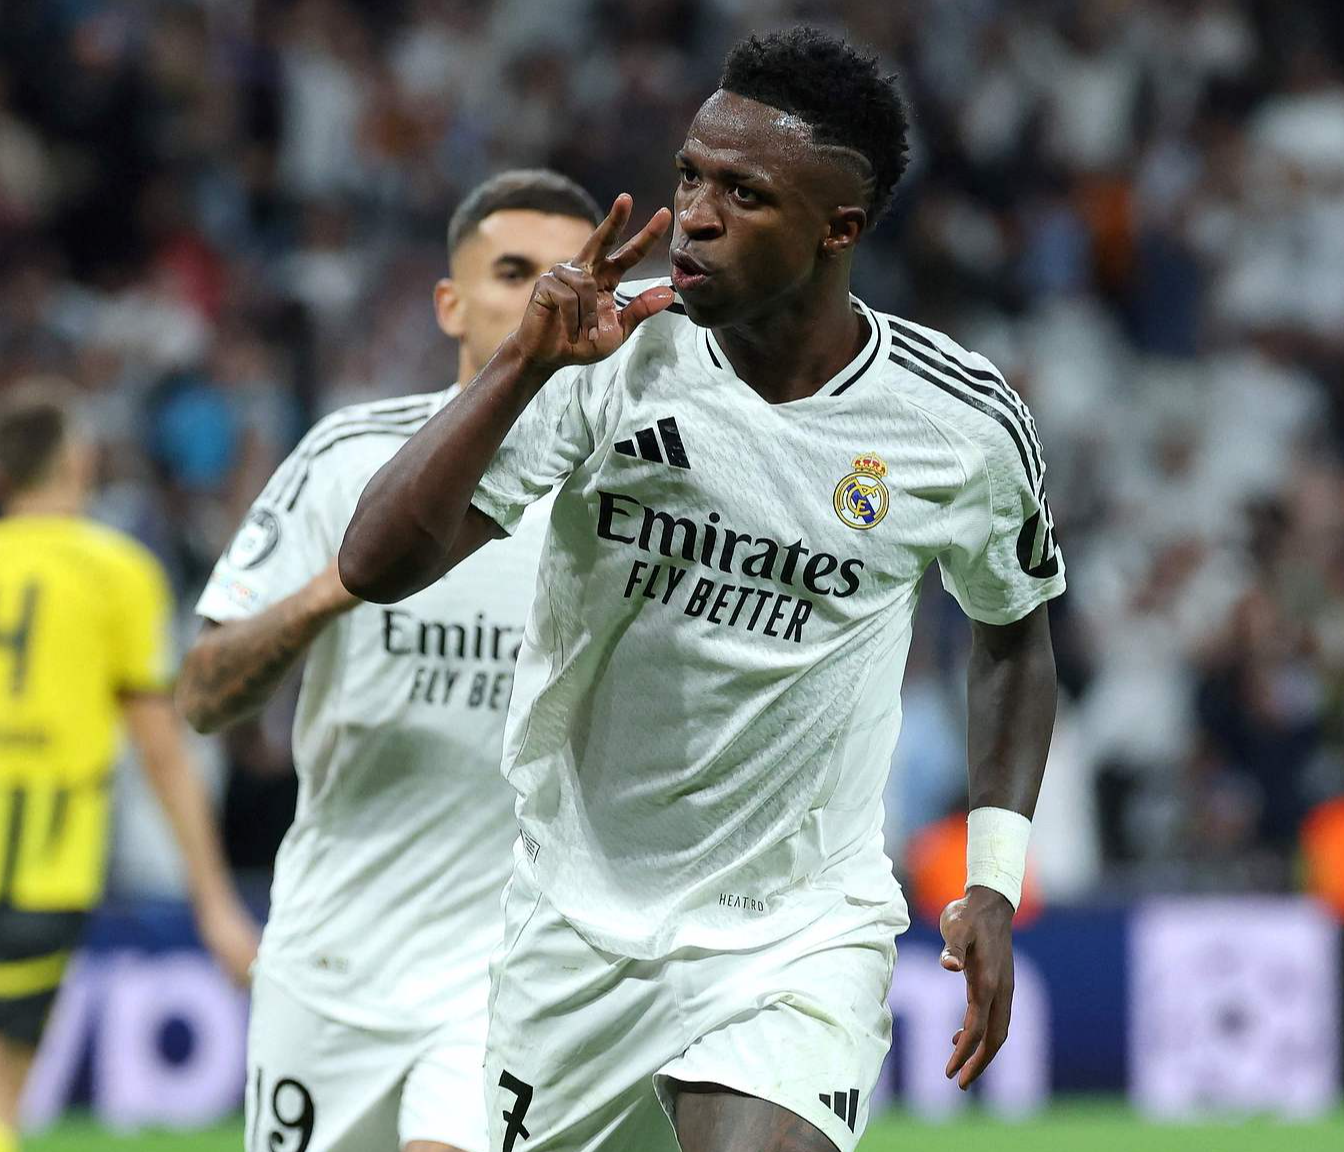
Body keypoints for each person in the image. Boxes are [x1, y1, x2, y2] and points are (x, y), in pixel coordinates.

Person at [339, 28, 1063, 1152]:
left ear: (840, 228)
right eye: (688, 176)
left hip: (793, 928)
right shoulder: (606, 355)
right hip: (574, 924)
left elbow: (1014, 638)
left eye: (744, 193)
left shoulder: (955, 426)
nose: (694, 215)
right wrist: (521, 365)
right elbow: (371, 567)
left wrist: (992, 882)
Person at [176, 170, 599, 1152]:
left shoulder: (619, 501)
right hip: (331, 965)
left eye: (570, 274)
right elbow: (201, 696)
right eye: (512, 271)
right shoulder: (346, 462)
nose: (545, 294)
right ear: (449, 304)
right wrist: (340, 584)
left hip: (508, 973)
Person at [0, 381, 259, 1152]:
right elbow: (161, 751)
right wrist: (213, 899)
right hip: (38, 859)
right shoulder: (119, 572)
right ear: (80, 463)